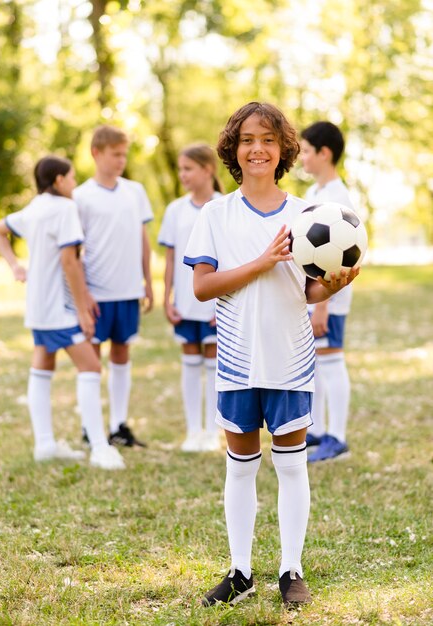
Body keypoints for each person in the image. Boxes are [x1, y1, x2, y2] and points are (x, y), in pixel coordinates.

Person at [183, 102, 359, 606]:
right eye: (246, 140)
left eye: (267, 139)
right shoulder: (216, 214)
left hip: (290, 358)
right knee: (240, 467)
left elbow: (307, 292)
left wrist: (336, 282)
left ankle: (290, 570)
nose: (256, 148)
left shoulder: (309, 214)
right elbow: (202, 287)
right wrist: (261, 262)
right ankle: (240, 572)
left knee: (291, 466)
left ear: (284, 148)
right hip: (238, 360)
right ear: (232, 150)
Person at [0, 156, 125, 470]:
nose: (75, 184)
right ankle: (100, 448)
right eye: (73, 178)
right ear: (59, 180)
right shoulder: (64, 209)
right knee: (90, 366)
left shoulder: (35, 207)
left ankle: (45, 444)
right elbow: (69, 262)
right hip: (57, 309)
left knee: (43, 364)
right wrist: (82, 310)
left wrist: (14, 264)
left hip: (38, 307)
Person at [73, 125, 154, 448]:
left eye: (124, 154)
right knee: (91, 360)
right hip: (96, 292)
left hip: (128, 290)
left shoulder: (135, 192)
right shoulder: (79, 196)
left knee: (122, 354)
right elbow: (74, 251)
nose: (121, 160)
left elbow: (143, 239)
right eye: (115, 154)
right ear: (96, 153)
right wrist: (83, 293)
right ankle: (89, 426)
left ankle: (118, 424)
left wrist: (148, 282)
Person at [158, 144, 224, 452]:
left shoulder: (224, 206)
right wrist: (166, 298)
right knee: (189, 364)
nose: (182, 175)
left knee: (213, 367)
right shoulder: (175, 210)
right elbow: (171, 258)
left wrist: (224, 300)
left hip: (213, 303)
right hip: (184, 302)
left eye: (188, 169)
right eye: (181, 169)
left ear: (208, 169)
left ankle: (212, 432)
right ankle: (192, 431)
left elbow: (231, 259)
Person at [300, 121, 354, 462]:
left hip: (329, 298)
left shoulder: (339, 197)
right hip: (312, 294)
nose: (302, 158)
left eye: (306, 151)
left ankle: (338, 438)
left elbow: (344, 256)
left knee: (332, 362)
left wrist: (323, 305)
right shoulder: (314, 194)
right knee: (316, 364)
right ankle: (317, 431)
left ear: (325, 153)